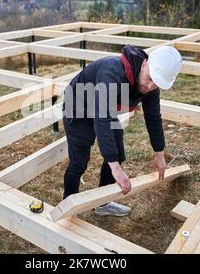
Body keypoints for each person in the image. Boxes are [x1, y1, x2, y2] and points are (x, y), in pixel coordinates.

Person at [62, 44, 183, 216]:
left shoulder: (151, 83)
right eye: (149, 79)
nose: (150, 87)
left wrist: (159, 153)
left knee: (118, 154)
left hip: (104, 107)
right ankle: (67, 208)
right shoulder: (112, 72)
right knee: (79, 162)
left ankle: (102, 204)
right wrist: (114, 167)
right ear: (144, 64)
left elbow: (153, 117)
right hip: (78, 106)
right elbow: (101, 118)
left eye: (156, 84)